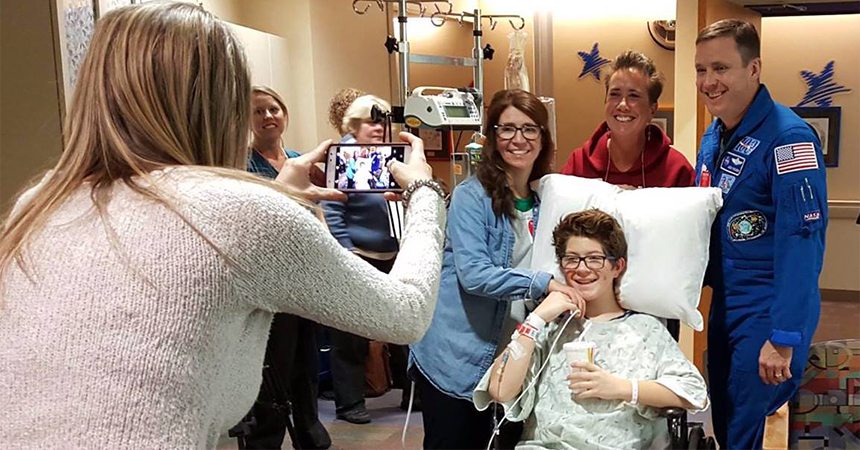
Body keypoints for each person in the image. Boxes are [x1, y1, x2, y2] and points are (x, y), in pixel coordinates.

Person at [0, 3, 447, 447]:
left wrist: (277, 195)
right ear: (222, 103)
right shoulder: (240, 213)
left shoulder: (37, 203)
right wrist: (424, 193)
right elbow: (405, 313)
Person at [409, 89, 585, 449]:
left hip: (513, 353)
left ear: (543, 138)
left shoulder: (544, 202)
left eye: (529, 129)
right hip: (459, 353)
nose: (518, 139)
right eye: (507, 129)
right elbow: (474, 274)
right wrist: (544, 284)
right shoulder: (471, 197)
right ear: (492, 137)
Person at [694, 19, 827, 449]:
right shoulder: (713, 137)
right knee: (727, 420)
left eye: (721, 68)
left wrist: (784, 337)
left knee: (746, 431)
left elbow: (802, 243)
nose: (709, 82)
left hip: (767, 309)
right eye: (701, 70)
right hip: (725, 304)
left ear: (754, 69)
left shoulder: (788, 139)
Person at [474, 209, 709, 448]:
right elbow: (500, 390)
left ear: (617, 266)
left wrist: (621, 388)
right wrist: (536, 318)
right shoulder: (549, 330)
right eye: (572, 259)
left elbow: (693, 393)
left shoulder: (646, 330)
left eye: (595, 258)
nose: (582, 268)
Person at [239, 85, 331, 449]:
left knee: (305, 364)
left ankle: (310, 432)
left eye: (273, 109)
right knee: (273, 370)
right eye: (259, 111)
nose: (268, 117)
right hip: (268, 288)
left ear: (285, 114)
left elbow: (315, 212)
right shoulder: (241, 165)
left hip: (304, 281)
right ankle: (268, 439)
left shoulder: (299, 161)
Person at [321, 94, 414, 424]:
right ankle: (349, 403)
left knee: (404, 323)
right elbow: (332, 209)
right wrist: (346, 253)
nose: (379, 128)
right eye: (372, 122)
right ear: (355, 123)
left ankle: (409, 388)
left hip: (392, 252)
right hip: (357, 254)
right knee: (350, 333)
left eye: (382, 121)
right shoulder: (345, 156)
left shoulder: (386, 156)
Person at [560, 50, 695, 189]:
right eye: (614, 94)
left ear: (652, 109)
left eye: (633, 96)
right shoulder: (578, 165)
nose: (622, 105)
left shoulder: (677, 169)